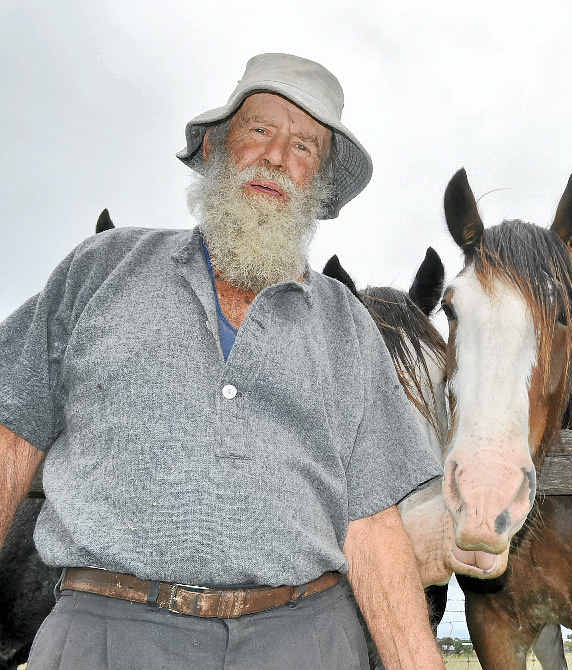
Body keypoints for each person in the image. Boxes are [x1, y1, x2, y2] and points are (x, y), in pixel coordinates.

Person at [0, 53, 446, 670]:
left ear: (318, 185)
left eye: (304, 147)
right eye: (260, 129)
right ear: (213, 147)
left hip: (306, 642)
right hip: (106, 637)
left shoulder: (347, 327)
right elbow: (11, 433)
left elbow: (373, 527)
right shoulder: (101, 270)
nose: (277, 157)